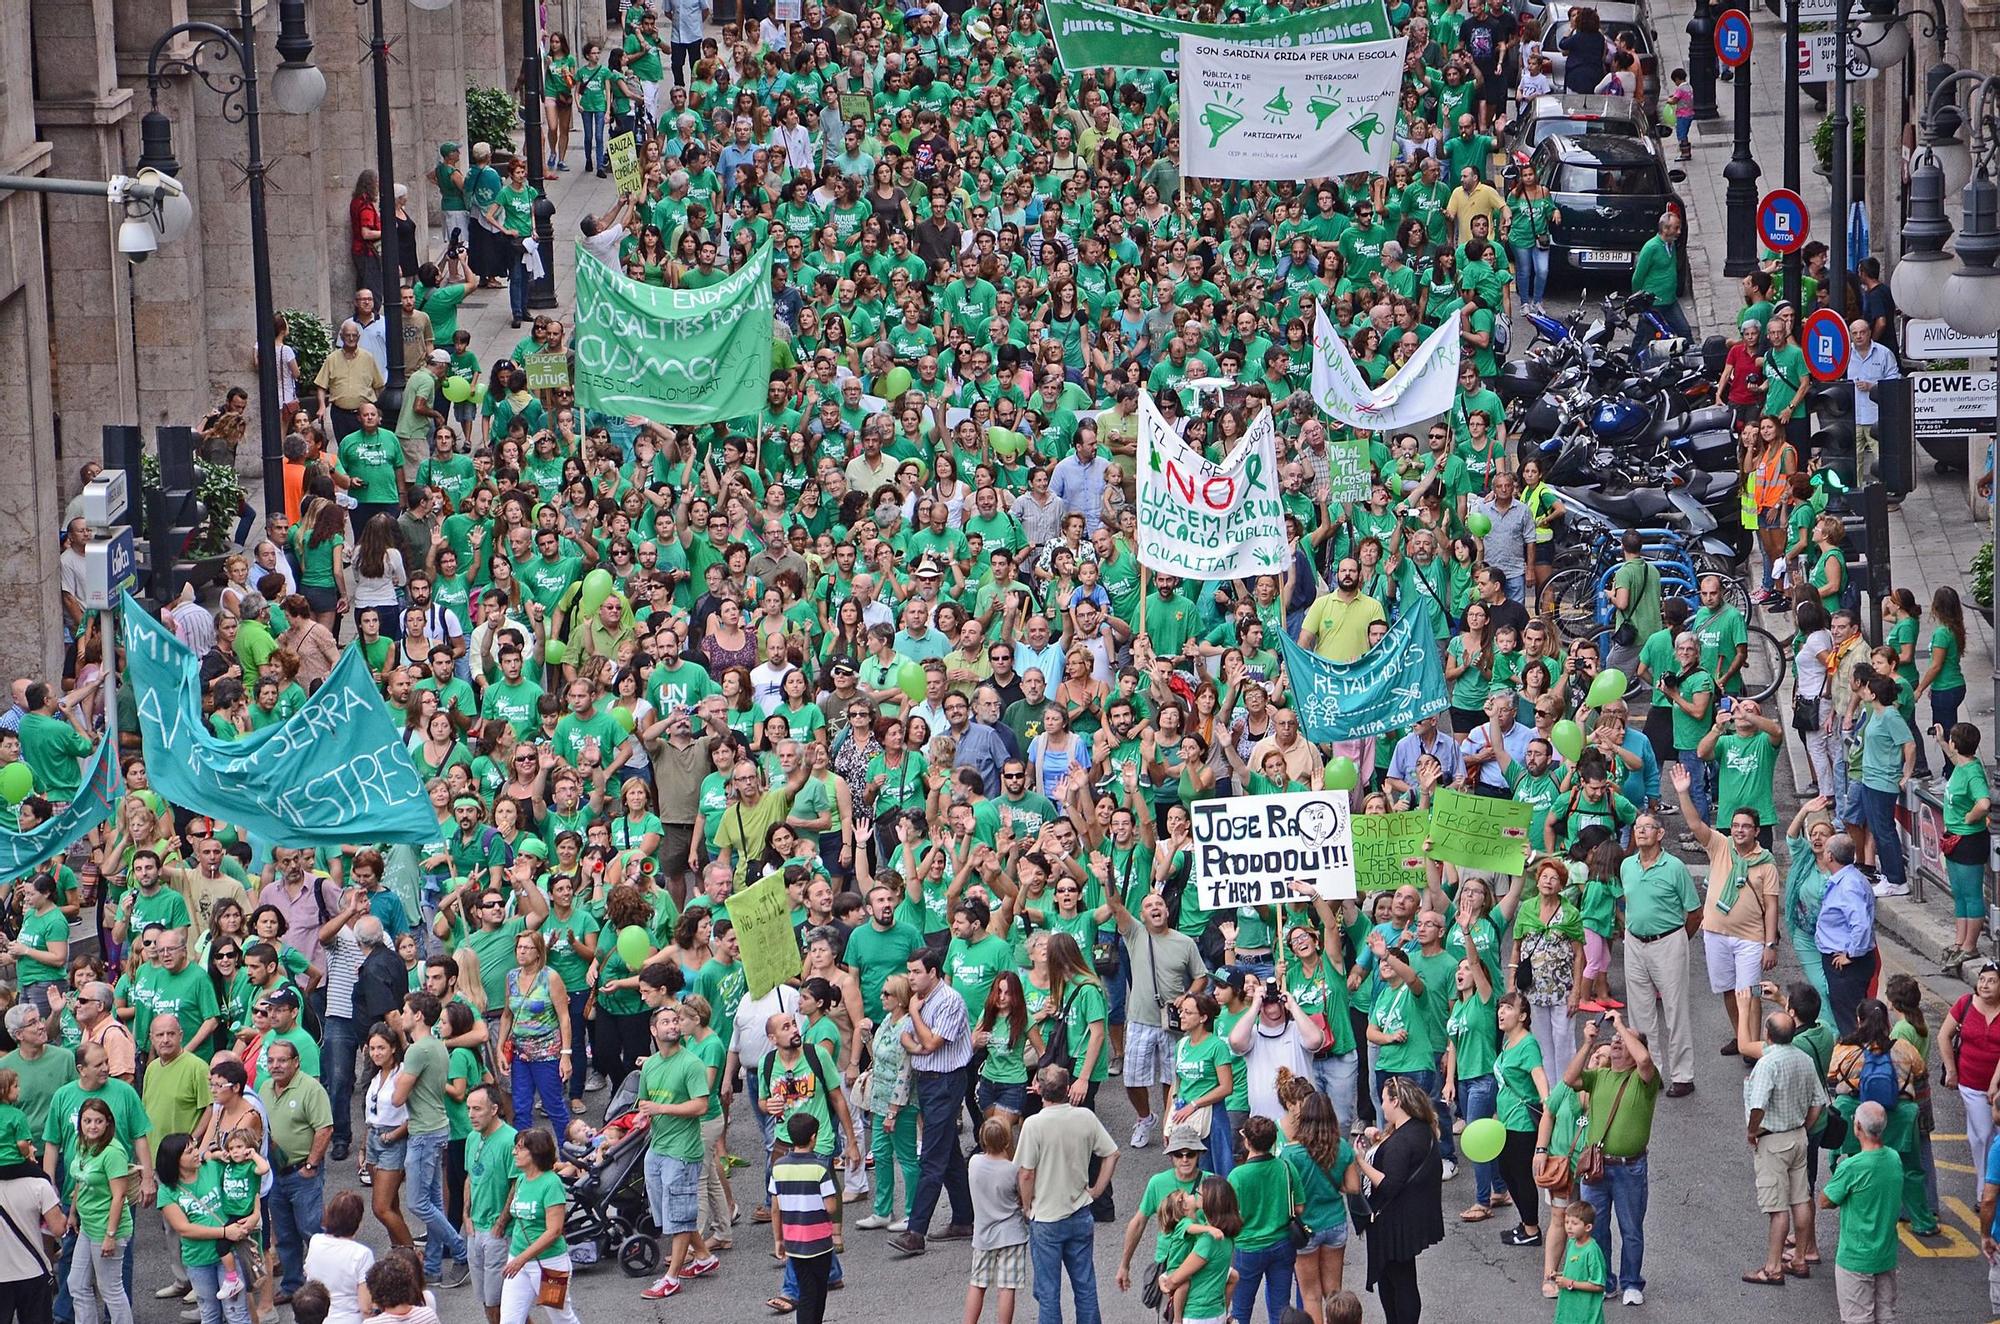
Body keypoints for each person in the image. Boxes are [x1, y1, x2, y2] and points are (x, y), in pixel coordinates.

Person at [1562, 1010, 1659, 1306]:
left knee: (1631, 1229)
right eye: (1615, 1040)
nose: (1617, 1042)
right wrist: (1588, 1044)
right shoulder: (1600, 1076)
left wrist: (1619, 1023)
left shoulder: (1644, 1079)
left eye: (1624, 1041)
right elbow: (1570, 1078)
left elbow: (1643, 1060)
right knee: (1597, 1226)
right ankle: (1605, 1282)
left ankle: (1631, 1282)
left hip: (1630, 1167)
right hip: (1597, 1166)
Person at [885, 949, 975, 1255]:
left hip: (946, 1082)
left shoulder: (949, 1000)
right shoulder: (919, 1001)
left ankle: (916, 1232)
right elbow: (906, 1039)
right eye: (909, 971)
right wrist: (919, 1043)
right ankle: (964, 1219)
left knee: (932, 1158)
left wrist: (914, 1015)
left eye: (916, 972)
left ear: (933, 972)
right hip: (927, 1082)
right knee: (947, 1153)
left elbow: (934, 1042)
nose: (910, 977)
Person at [1015, 1065, 1119, 1324]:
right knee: (1085, 1285)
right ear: (1067, 1089)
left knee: (1048, 1292)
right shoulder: (1085, 1117)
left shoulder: (1033, 1124)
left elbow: (1026, 1173)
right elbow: (1112, 1154)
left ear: (1039, 1089)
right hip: (1080, 1211)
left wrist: (1027, 1206)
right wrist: (1096, 1191)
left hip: (1046, 1217)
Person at [1739, 1010, 1826, 1286]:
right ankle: (1799, 1258)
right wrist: (1806, 1126)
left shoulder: (1767, 1063)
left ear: (1767, 1035)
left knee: (1777, 1209)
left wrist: (1753, 1130)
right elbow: (1818, 1101)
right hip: (1799, 1135)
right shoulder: (1804, 1059)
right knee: (1801, 1199)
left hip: (1773, 1140)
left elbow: (1758, 1105)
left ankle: (1773, 1267)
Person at [1357, 1075, 1444, 1324]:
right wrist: (1379, 1140)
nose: (1381, 1105)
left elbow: (1389, 1184)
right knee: (1401, 1279)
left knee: (1398, 1282)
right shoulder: (1420, 1129)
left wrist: (1362, 1162)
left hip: (1395, 1224)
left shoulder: (1401, 1142)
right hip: (1410, 1219)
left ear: (1396, 1102)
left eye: (1384, 1100)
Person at [1820, 1101, 1904, 1323]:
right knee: (1886, 1316)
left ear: (1857, 1126)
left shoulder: (1852, 1167)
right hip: (1885, 1255)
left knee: (1858, 1318)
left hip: (1855, 1257)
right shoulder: (1894, 1158)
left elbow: (1825, 1201)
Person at [492, 1127, 583, 1324]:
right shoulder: (522, 1179)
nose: (514, 1152)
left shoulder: (551, 1184)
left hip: (549, 1265)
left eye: (519, 1148)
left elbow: (554, 1231)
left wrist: (521, 1259)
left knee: (561, 1319)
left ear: (535, 1152)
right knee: (509, 1321)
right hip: (519, 1262)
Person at [964, 1117, 1029, 1324]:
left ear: (983, 1140)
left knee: (978, 1283)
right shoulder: (1012, 1170)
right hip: (1012, 1234)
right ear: (1008, 1141)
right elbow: (1022, 1196)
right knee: (1007, 1287)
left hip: (983, 1234)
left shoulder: (974, 1163)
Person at [1816, 835, 1880, 1036]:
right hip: (1842, 961)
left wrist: (1851, 955)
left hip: (1846, 966)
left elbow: (1860, 924)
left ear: (1830, 856)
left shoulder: (1848, 885)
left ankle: (1856, 1061)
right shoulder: (1848, 879)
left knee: (1850, 1022)